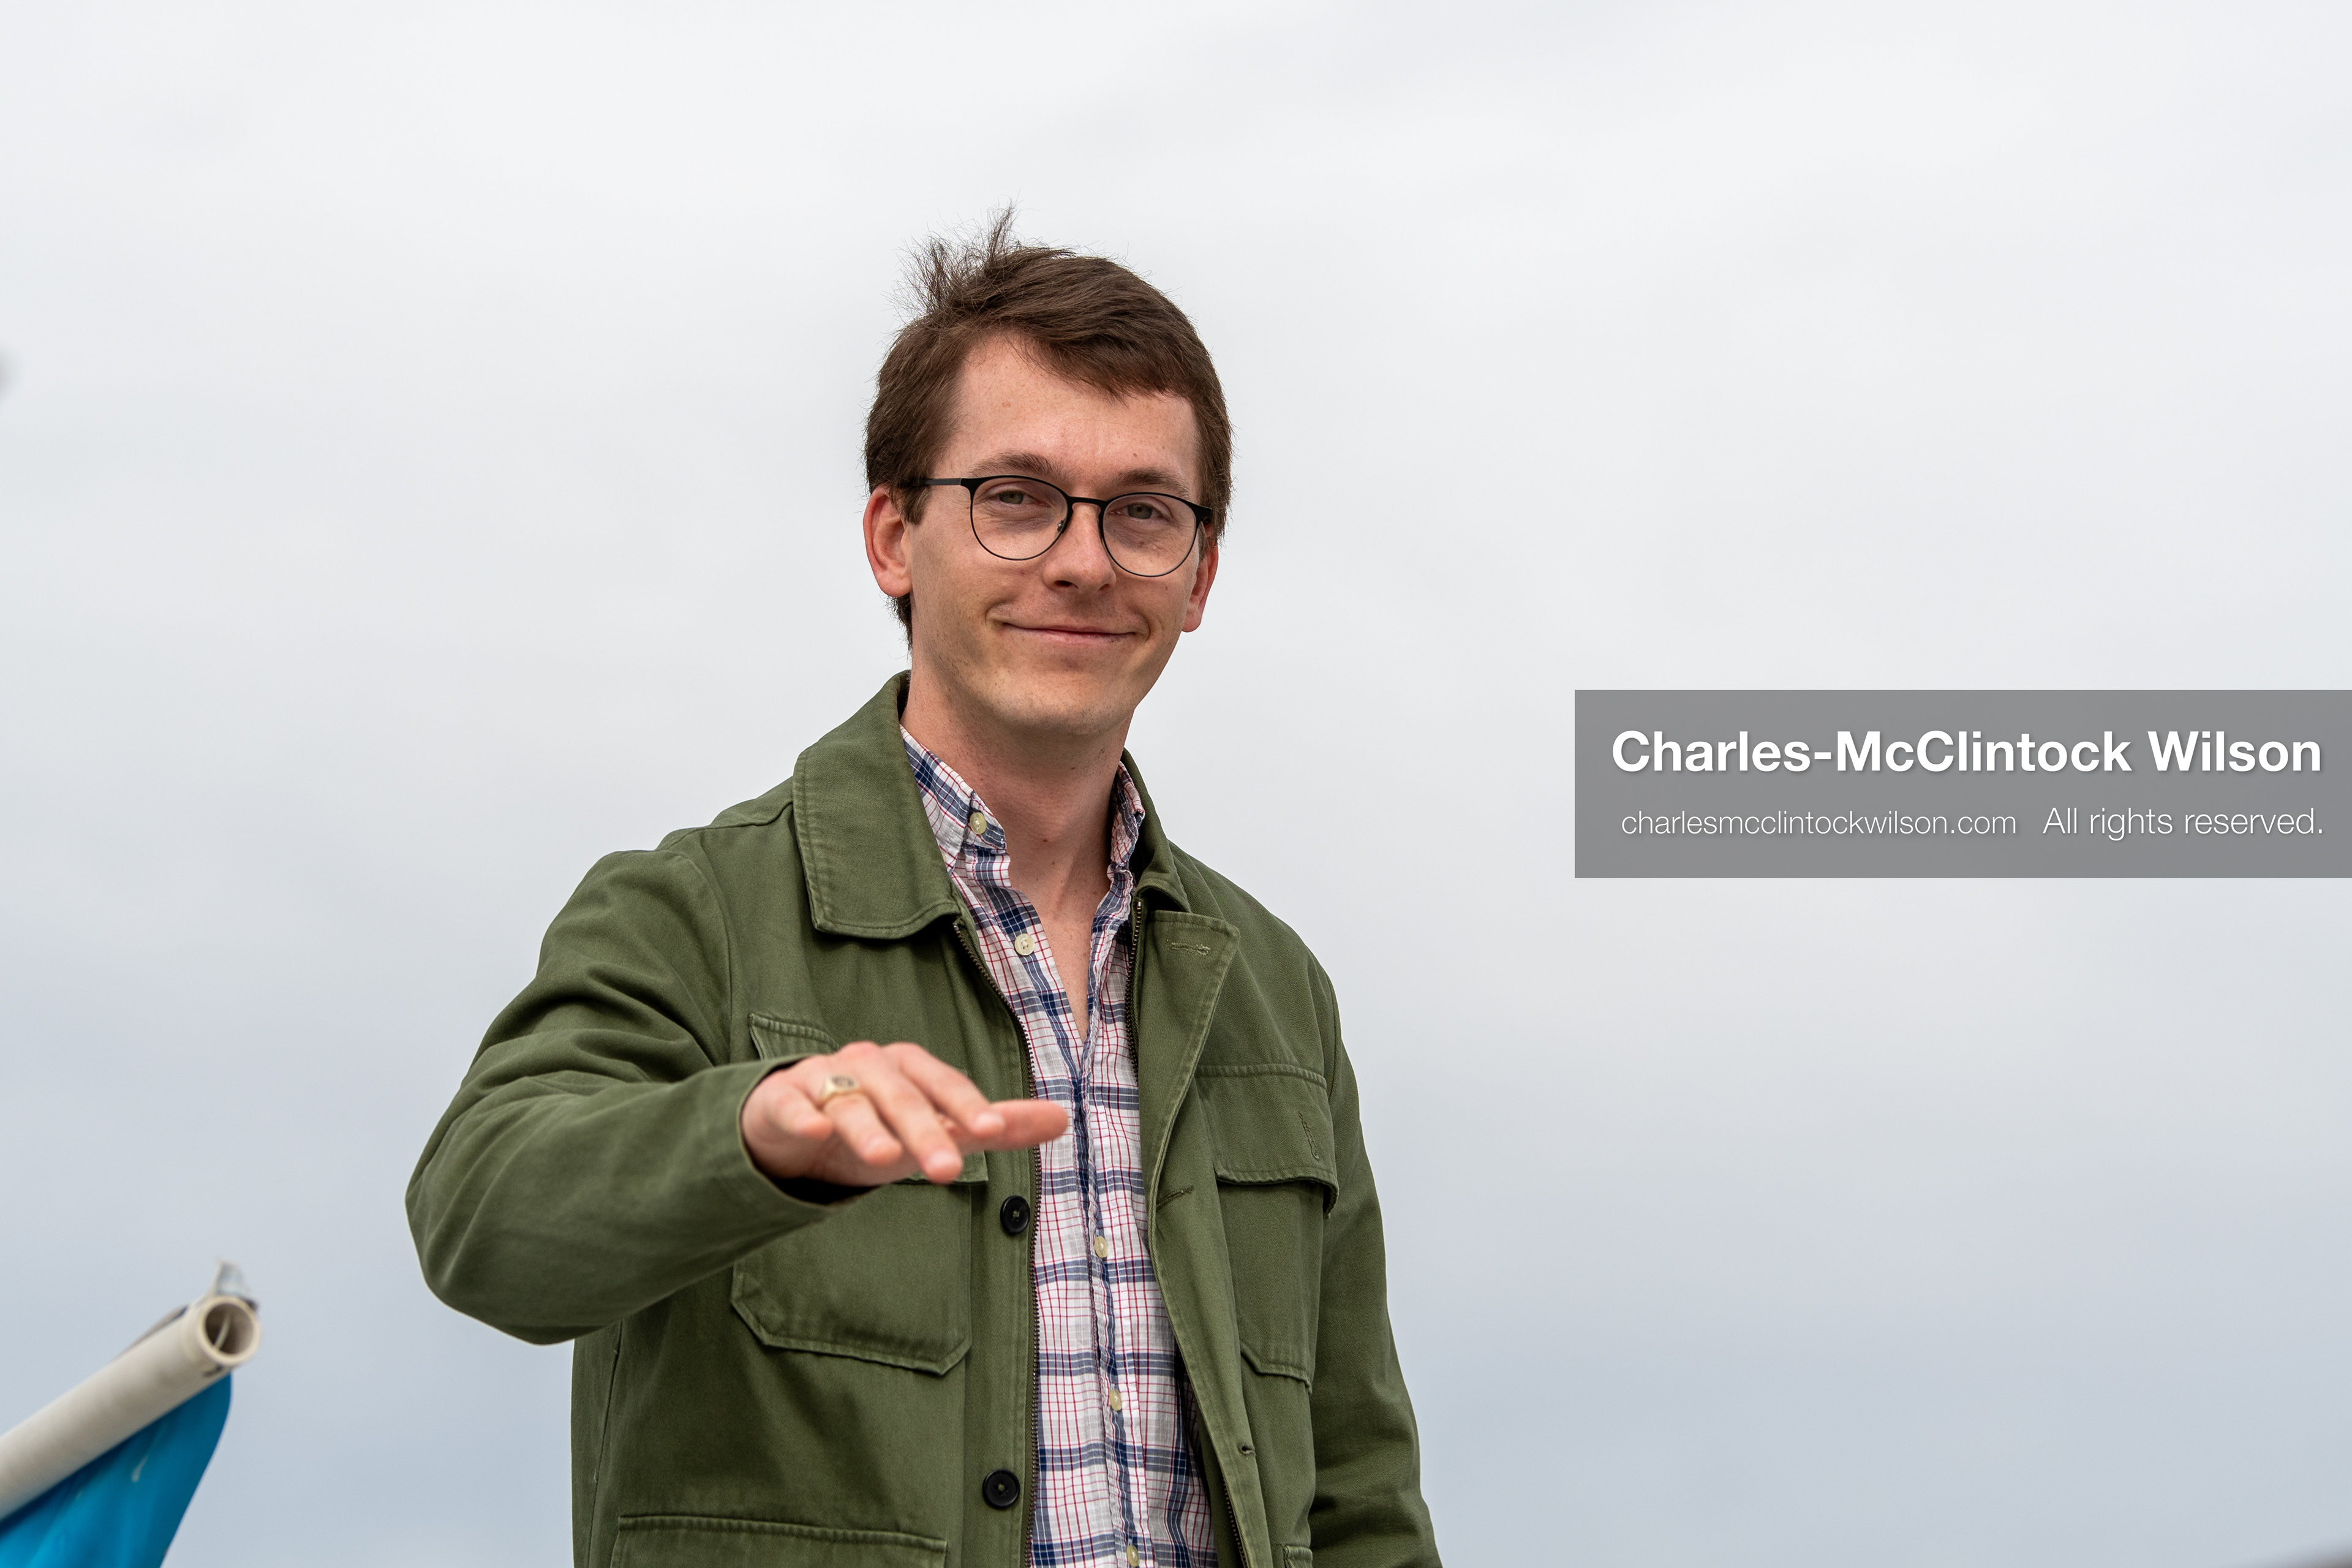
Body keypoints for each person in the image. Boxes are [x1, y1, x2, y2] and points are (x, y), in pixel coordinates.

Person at [406, 217, 1441, 1568]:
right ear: (894, 535)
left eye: (1142, 512)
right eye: (1014, 496)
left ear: (1199, 576)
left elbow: (1359, 1491)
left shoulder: (1276, 985)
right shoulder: (694, 912)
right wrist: (757, 1135)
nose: (1080, 560)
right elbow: (481, 1221)